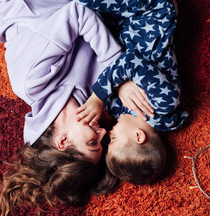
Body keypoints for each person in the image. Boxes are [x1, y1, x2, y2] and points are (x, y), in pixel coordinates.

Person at [0, 0, 123, 216]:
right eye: (103, 140)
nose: (103, 131)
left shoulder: (32, 81)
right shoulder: (93, 95)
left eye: (93, 142)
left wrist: (117, 69)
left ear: (62, 141)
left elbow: (78, 13)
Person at [75, 0, 188, 185]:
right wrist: (97, 98)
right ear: (138, 136)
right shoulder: (165, 103)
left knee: (78, 16)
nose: (109, 131)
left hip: (118, 25)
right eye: (114, 138)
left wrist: (116, 88)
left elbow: (104, 64)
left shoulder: (117, 111)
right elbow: (129, 62)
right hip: (151, 11)